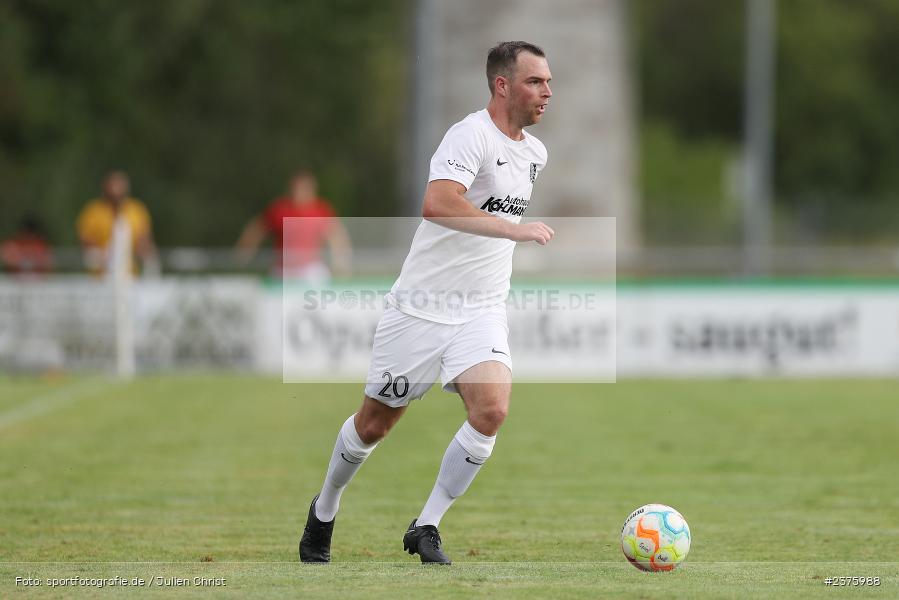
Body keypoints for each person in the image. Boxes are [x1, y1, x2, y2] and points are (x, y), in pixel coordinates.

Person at [299, 41, 554, 564]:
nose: (547, 92)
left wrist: (508, 237)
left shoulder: (534, 152)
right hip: (420, 307)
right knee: (374, 424)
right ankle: (324, 509)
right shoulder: (469, 135)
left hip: (480, 308)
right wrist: (514, 230)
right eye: (535, 81)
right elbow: (437, 203)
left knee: (493, 410)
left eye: (549, 82)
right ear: (502, 85)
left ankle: (426, 524)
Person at [235, 170, 351, 281]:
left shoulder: (321, 210)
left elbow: (336, 235)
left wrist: (341, 262)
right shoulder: (279, 210)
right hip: (284, 270)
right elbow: (255, 232)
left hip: (310, 269)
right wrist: (241, 258)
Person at [75, 171, 159, 276]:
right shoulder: (93, 212)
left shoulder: (136, 210)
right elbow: (86, 241)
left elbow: (145, 240)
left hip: (131, 274)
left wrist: (143, 254)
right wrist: (104, 256)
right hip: (100, 276)